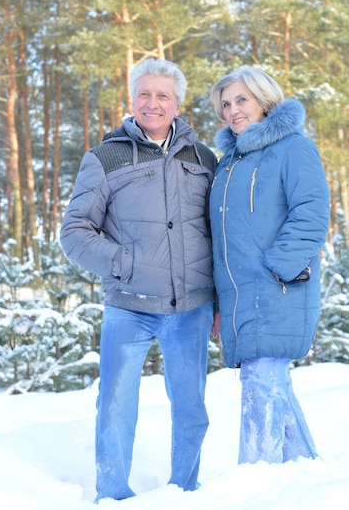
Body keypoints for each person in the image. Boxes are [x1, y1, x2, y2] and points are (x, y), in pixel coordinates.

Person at [60, 58, 219, 502]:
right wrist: (124, 263)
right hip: (128, 307)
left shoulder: (203, 157)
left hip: (190, 307)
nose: (153, 103)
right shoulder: (104, 157)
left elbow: (217, 232)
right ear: (132, 99)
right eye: (144, 94)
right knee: (114, 407)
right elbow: (74, 233)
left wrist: (220, 302)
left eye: (162, 95)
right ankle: (111, 495)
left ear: (177, 103)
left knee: (191, 408)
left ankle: (185, 492)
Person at [208, 66, 330, 465]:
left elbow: (311, 212)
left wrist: (280, 267)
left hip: (277, 287)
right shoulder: (229, 163)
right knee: (269, 382)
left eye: (241, 99)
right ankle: (304, 471)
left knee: (260, 381)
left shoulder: (294, 147)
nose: (232, 110)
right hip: (240, 294)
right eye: (226, 104)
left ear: (265, 99)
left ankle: (256, 483)